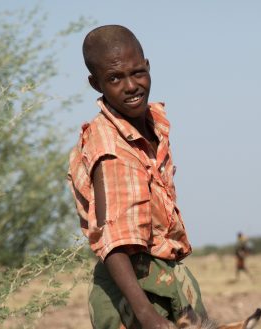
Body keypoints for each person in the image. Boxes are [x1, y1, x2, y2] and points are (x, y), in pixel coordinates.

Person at [67, 25, 206, 329]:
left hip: (166, 282)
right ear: (95, 83)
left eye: (137, 72)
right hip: (134, 296)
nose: (131, 86)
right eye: (115, 78)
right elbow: (113, 241)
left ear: (148, 66)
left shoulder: (152, 126)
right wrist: (146, 316)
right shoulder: (110, 145)